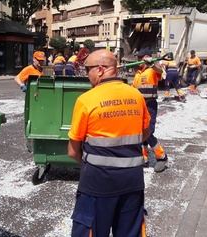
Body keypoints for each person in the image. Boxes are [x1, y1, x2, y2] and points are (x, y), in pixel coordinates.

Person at [68, 49, 150, 237]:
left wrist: (92, 163)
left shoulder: (87, 100)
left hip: (97, 184)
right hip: (132, 182)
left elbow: (73, 151)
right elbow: (145, 133)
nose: (86, 74)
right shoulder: (136, 96)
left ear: (100, 69)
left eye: (87, 69)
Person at [132, 48, 168, 172]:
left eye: (139, 58)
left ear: (146, 57)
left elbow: (162, 73)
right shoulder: (138, 73)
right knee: (141, 132)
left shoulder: (152, 70)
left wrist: (152, 63)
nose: (137, 60)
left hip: (150, 105)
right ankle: (144, 159)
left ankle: (161, 156)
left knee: (148, 132)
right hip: (138, 107)